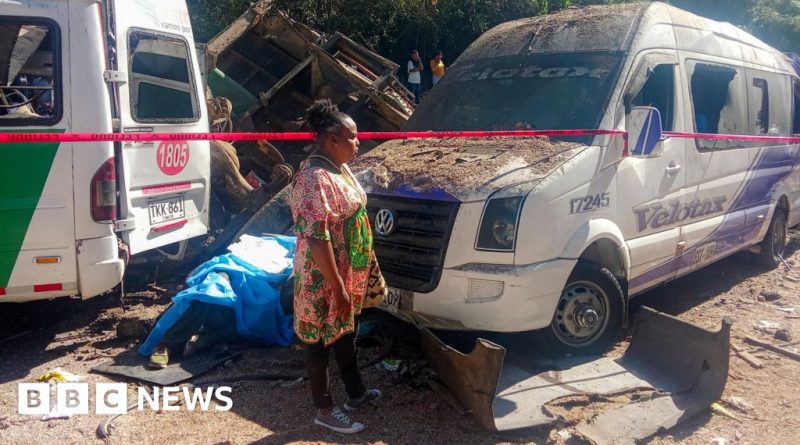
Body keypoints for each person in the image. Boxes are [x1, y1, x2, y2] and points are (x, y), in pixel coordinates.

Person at [290, 99, 383, 434]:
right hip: (323, 277)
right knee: (316, 340)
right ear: (331, 140)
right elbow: (317, 238)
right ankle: (324, 410)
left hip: (347, 272)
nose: (358, 143)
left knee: (346, 333)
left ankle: (356, 394)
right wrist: (338, 286)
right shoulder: (314, 178)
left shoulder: (337, 168)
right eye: (352, 138)